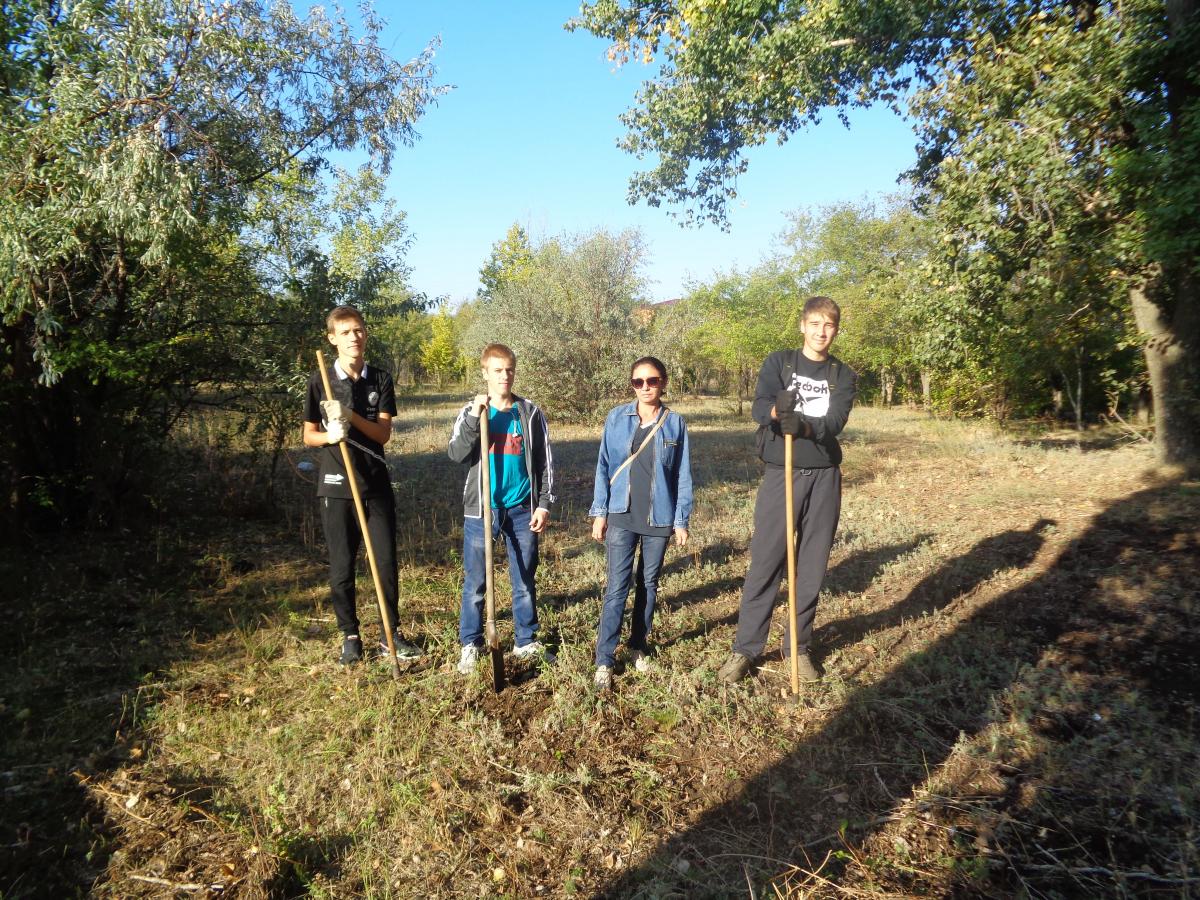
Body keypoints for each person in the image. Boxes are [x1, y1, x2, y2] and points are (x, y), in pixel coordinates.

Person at [717, 296, 857, 684]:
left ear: (836, 330)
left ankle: (797, 648)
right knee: (766, 560)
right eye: (815, 324)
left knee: (811, 565)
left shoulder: (842, 375)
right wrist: (779, 412)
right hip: (783, 472)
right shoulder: (780, 362)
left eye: (828, 325)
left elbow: (835, 421)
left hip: (825, 474)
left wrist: (807, 427)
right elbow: (759, 406)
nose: (821, 332)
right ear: (802, 326)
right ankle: (745, 649)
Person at [302, 305, 422, 665]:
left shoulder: (380, 379)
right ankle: (350, 635)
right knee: (342, 565)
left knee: (385, 561)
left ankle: (390, 634)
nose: (355, 337)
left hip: (375, 482)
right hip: (337, 484)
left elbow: (383, 433)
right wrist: (329, 435)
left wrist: (350, 416)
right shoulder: (319, 380)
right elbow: (308, 435)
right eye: (346, 332)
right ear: (332, 338)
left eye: (359, 330)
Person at [447, 343, 556, 674]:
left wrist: (544, 504)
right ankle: (471, 643)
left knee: (524, 579)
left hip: (522, 508)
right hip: (482, 510)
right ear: (485, 373)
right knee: (476, 581)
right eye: (497, 370)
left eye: (509, 369)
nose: (504, 376)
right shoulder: (472, 411)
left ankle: (525, 641)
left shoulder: (529, 413)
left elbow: (545, 461)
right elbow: (456, 454)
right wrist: (472, 417)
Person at [589, 357, 692, 692]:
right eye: (639, 382)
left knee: (648, 585)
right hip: (621, 514)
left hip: (658, 518)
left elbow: (682, 475)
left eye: (652, 381)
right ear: (632, 384)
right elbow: (604, 466)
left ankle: (638, 647)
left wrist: (680, 520)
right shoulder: (617, 418)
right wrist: (600, 512)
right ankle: (604, 659)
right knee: (617, 587)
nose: (646, 387)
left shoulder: (675, 423)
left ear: (663, 382)